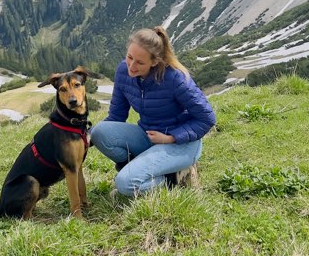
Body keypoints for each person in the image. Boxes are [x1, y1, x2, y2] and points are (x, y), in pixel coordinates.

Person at [90, 26, 216, 197]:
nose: (132, 66)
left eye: (140, 62)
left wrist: (171, 138)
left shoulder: (175, 78)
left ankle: (170, 180)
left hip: (181, 144)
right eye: (129, 57)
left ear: (155, 62)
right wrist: (85, 137)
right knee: (99, 132)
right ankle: (139, 171)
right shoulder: (123, 71)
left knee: (124, 184)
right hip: (148, 136)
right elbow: (116, 116)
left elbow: (207, 118)